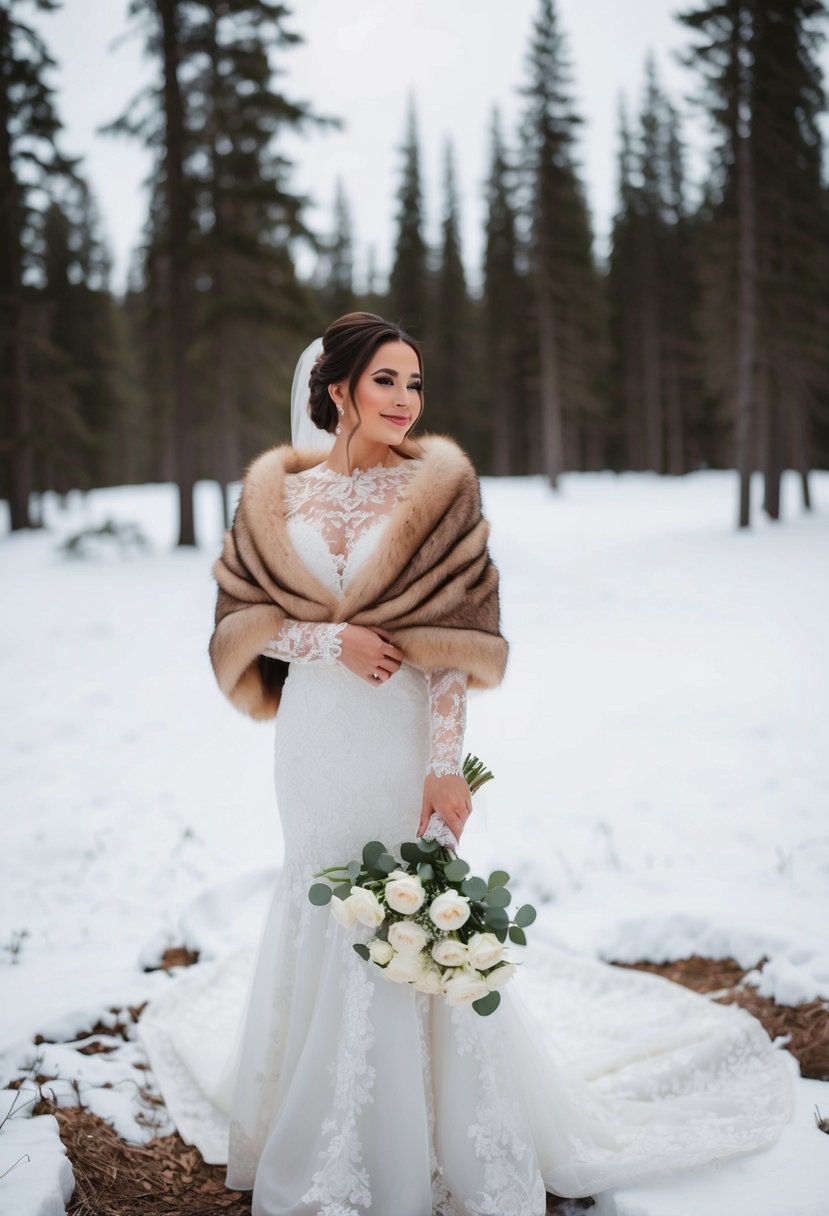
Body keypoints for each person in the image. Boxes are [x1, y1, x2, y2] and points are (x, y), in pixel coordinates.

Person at [137, 313, 794, 1216]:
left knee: (407, 905)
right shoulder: (275, 498)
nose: (405, 400)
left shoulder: (438, 495)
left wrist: (446, 767)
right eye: (386, 382)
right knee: (322, 898)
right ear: (337, 391)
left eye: (415, 384)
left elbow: (456, 649)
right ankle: (320, 1122)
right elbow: (237, 624)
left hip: (399, 738)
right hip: (315, 740)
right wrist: (329, 640)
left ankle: (429, 1133)